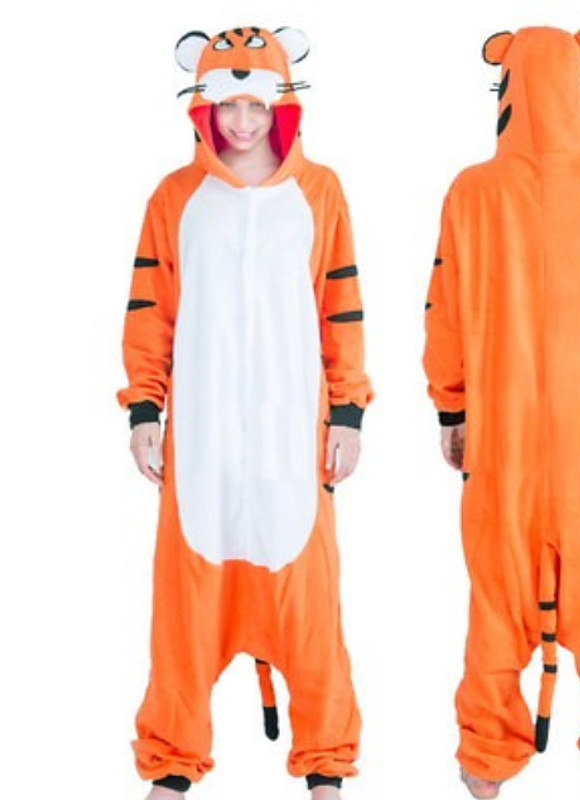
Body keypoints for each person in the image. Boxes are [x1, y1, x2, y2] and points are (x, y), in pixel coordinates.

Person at [116, 25, 374, 799]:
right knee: (186, 602)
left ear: (282, 105)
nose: (242, 121)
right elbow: (151, 307)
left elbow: (341, 304)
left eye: (257, 105)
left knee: (310, 602)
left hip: (293, 436)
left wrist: (348, 414)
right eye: (228, 106)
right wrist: (144, 409)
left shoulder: (319, 191)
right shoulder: (175, 197)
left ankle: (326, 760)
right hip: (203, 441)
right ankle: (172, 759)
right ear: (203, 107)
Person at [422, 25, 580, 800]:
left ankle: (485, 762)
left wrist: (452, 410)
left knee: (497, 599)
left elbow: (444, 311)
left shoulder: (471, 193)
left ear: (507, 93)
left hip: (502, 442)